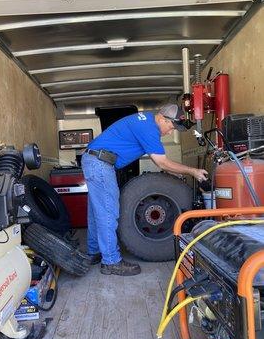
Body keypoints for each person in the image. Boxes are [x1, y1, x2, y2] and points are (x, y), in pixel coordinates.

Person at [81, 103, 208, 276]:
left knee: (98, 212)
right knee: (108, 212)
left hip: (96, 161)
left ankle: (94, 252)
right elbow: (162, 162)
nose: (170, 132)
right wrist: (193, 171)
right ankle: (110, 261)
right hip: (100, 163)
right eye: (171, 127)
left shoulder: (147, 120)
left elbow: (164, 165)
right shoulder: (149, 129)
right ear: (162, 118)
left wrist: (175, 173)